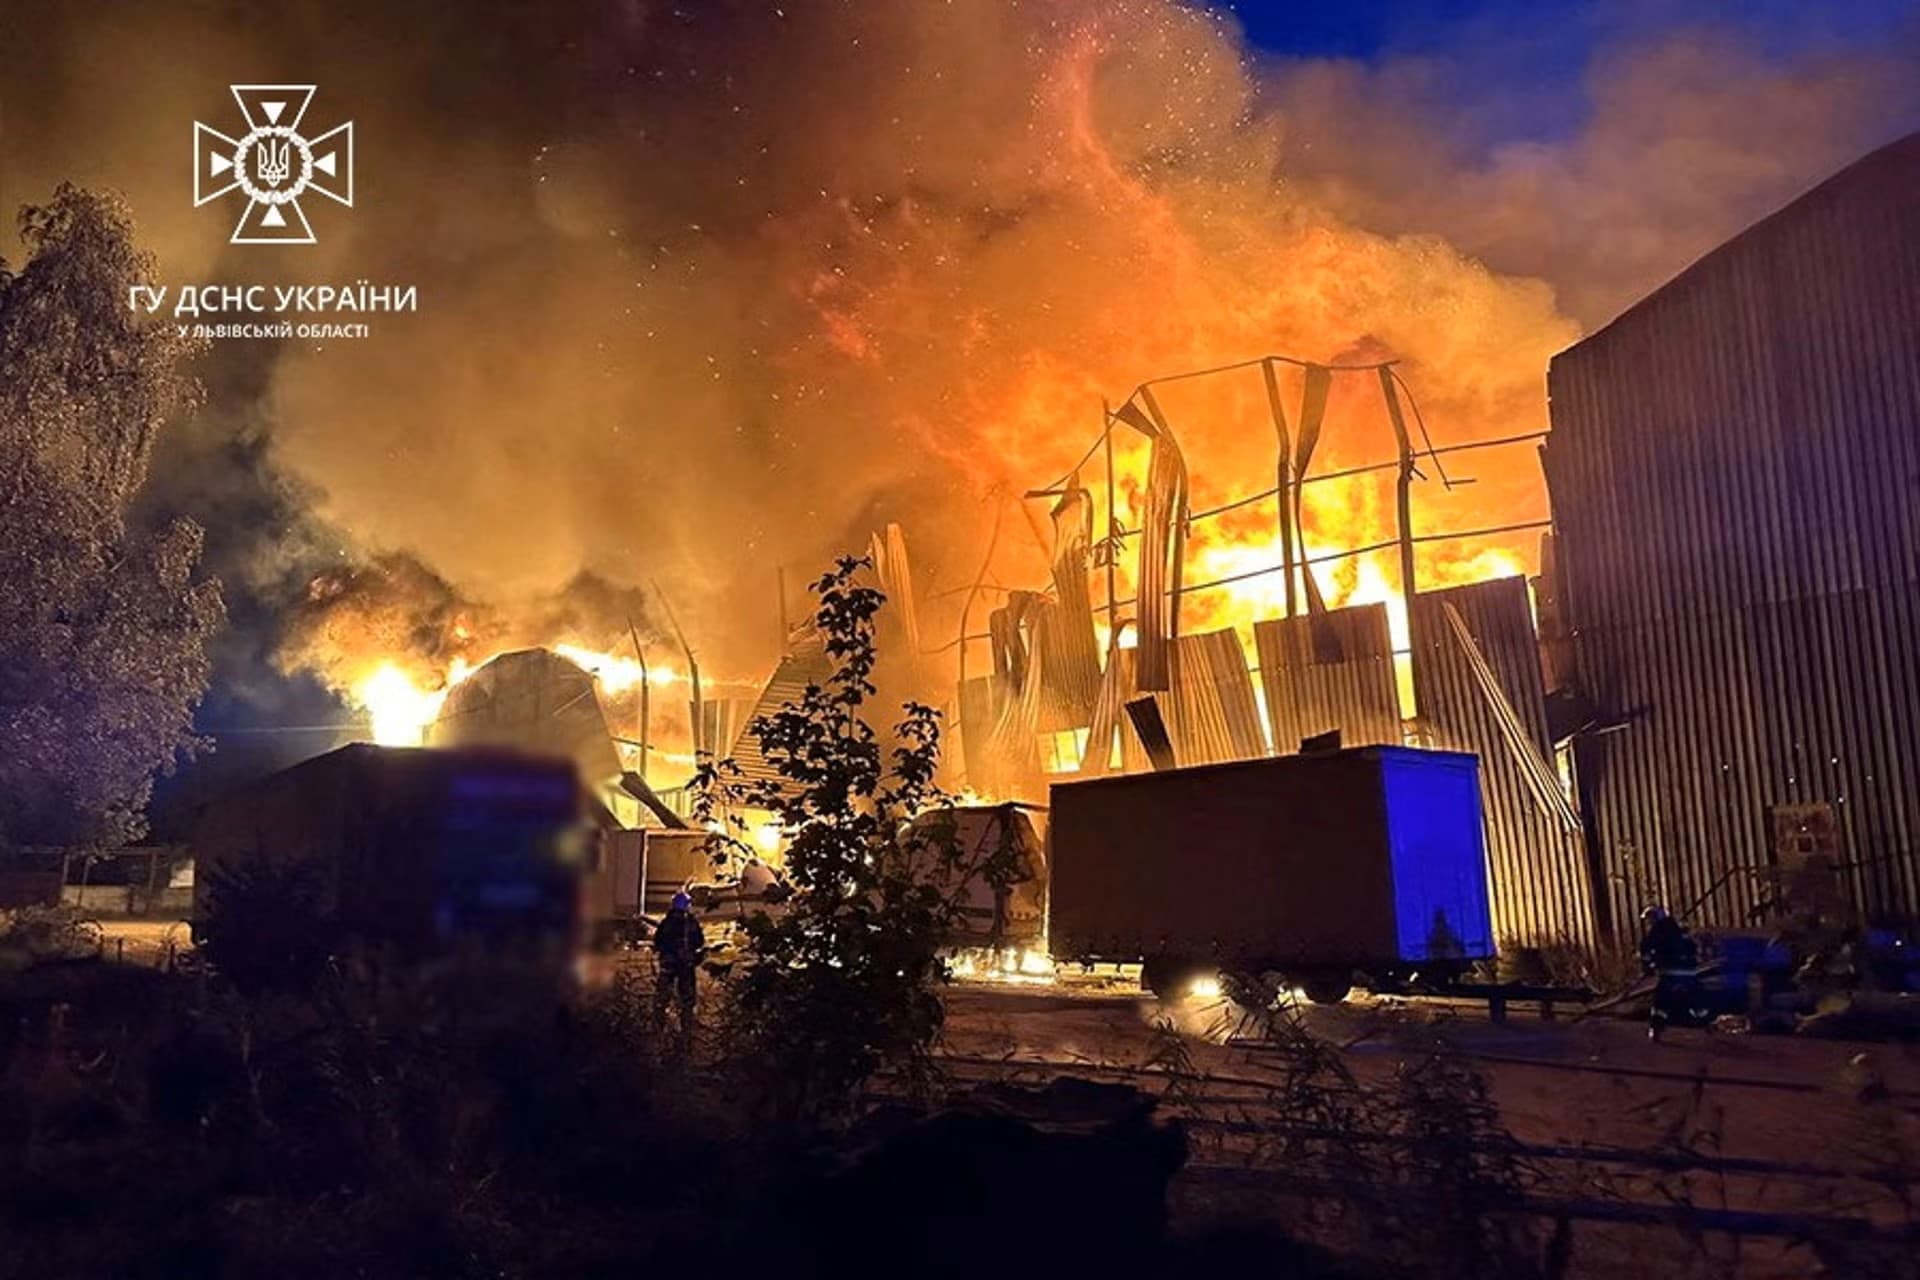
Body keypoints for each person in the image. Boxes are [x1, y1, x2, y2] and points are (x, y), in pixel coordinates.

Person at [1638, 905, 1701, 1040]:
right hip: (1689, 973)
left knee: (1661, 1002)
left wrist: (1647, 966)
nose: (1649, 923)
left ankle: (1656, 1028)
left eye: (1650, 920)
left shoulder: (1657, 932)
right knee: (1695, 999)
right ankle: (1705, 1022)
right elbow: (1693, 949)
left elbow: (1646, 950)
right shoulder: (1680, 931)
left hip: (1670, 973)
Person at [653, 891, 705, 1040]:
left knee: (662, 996)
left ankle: (659, 1025)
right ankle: (686, 1029)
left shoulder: (667, 922)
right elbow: (699, 942)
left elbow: (658, 941)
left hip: (669, 963)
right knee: (687, 998)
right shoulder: (691, 923)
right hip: (686, 964)